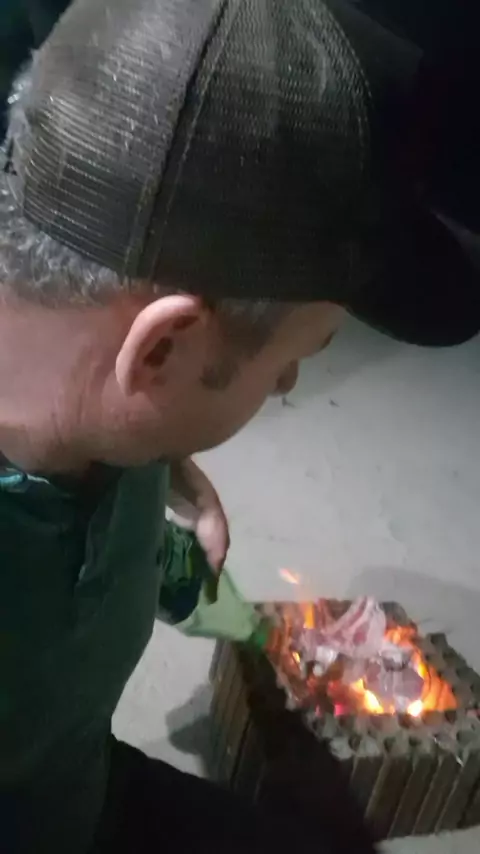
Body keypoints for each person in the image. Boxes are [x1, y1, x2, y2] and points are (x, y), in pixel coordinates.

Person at [0, 0, 479, 852]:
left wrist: (154, 487)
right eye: (292, 363)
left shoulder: (83, 396)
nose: (288, 384)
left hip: (72, 783)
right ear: (162, 350)